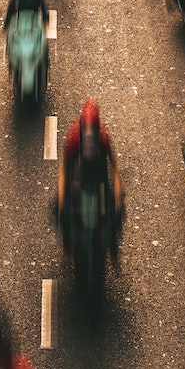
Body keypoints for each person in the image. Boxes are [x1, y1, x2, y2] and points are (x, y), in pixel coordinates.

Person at [57, 98, 123, 254]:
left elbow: (114, 167)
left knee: (116, 211)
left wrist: (118, 196)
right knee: (60, 210)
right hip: (77, 178)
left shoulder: (103, 138)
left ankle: (113, 243)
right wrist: (61, 197)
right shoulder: (73, 139)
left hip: (99, 178)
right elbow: (64, 170)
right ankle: (66, 242)